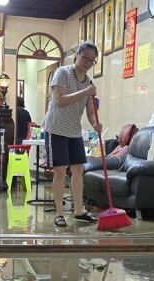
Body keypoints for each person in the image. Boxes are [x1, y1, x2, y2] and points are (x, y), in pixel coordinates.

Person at [43, 42, 103, 227]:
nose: (87, 62)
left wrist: (95, 123)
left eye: (92, 61)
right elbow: (59, 100)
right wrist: (85, 91)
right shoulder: (63, 73)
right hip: (55, 128)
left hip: (74, 132)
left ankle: (79, 210)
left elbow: (90, 110)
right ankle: (59, 214)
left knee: (78, 170)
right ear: (76, 55)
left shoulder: (89, 83)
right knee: (60, 171)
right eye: (85, 58)